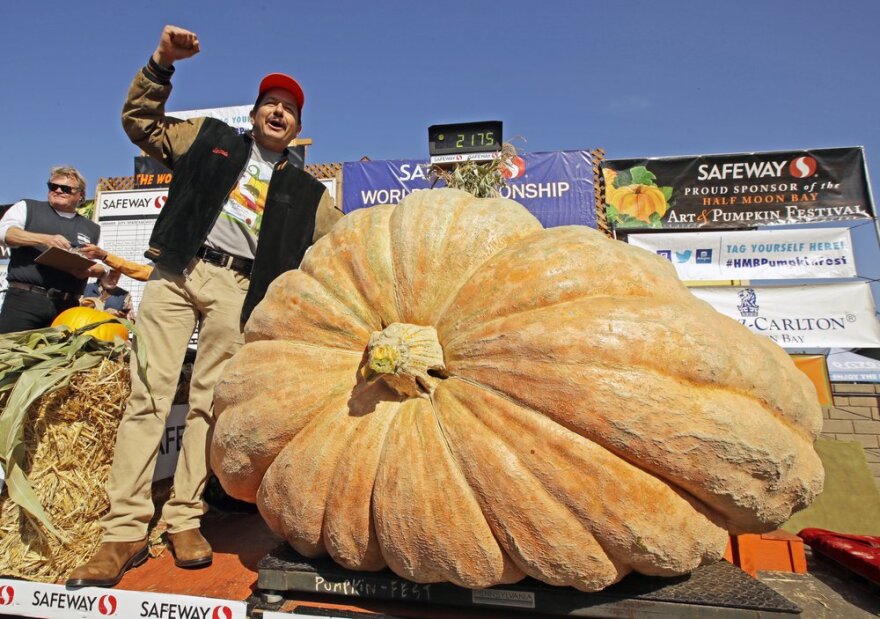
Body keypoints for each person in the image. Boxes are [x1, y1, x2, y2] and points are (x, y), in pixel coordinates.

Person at [67, 24, 342, 588]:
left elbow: (349, 246)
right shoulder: (207, 138)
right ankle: (122, 531)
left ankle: (184, 519)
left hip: (238, 294)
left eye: (290, 108)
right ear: (255, 113)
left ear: (298, 127)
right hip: (177, 273)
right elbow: (139, 122)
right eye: (271, 102)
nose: (279, 112)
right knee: (149, 396)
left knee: (207, 409)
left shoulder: (311, 195)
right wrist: (161, 63)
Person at [0, 167, 105, 332]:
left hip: (67, 308)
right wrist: (45, 239)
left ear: (81, 195)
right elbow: (5, 233)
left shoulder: (92, 229)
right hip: (24, 302)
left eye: (65, 188)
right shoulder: (27, 207)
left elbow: (102, 267)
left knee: (61, 357)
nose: (57, 190)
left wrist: (88, 270)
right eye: (52, 186)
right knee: (9, 356)